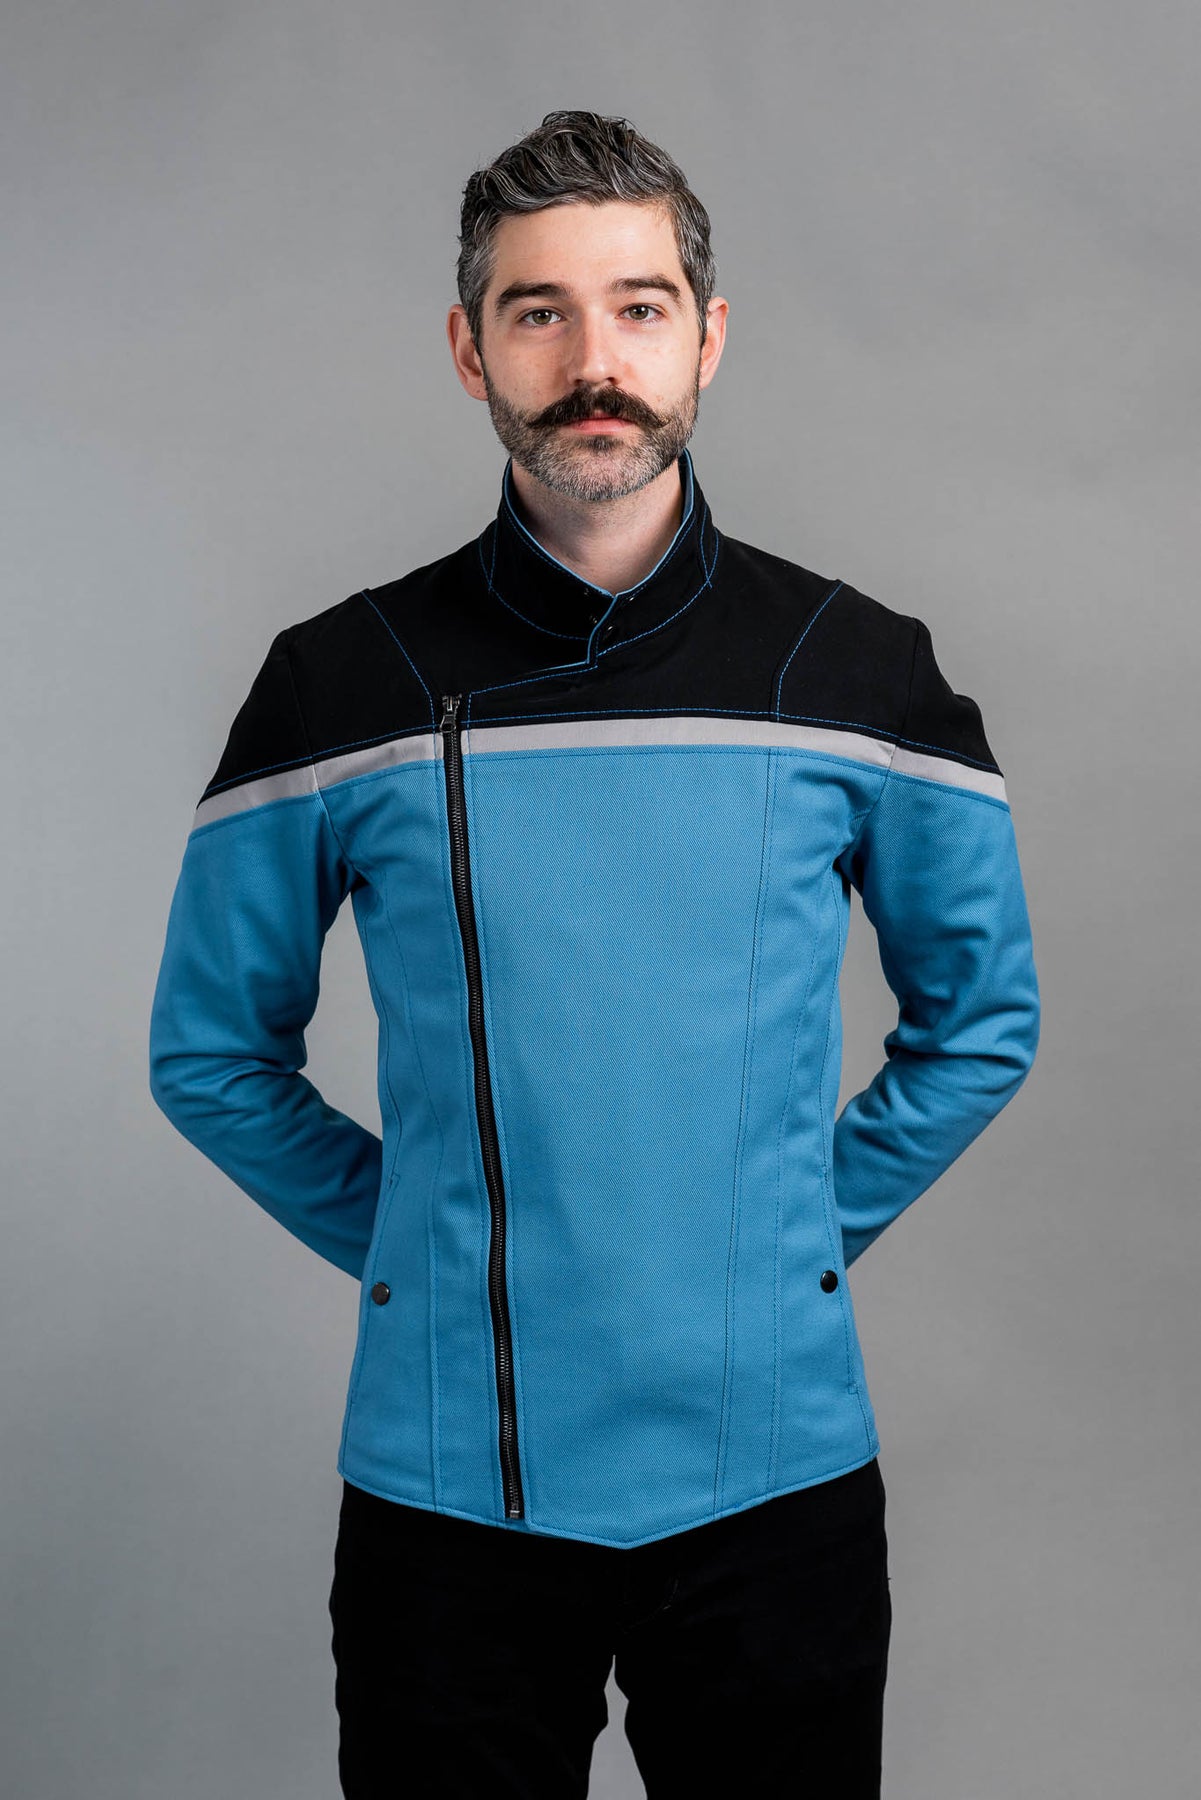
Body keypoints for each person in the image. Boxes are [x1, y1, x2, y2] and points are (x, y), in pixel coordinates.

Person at [148, 109, 1041, 1798]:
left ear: (708, 336)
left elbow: (981, 1019)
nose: (591, 363)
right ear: (467, 348)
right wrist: (424, 1252)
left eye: (637, 306)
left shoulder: (857, 669)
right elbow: (209, 1054)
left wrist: (779, 1242)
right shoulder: (342, 681)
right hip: (446, 1499)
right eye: (537, 311)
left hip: (772, 1475)